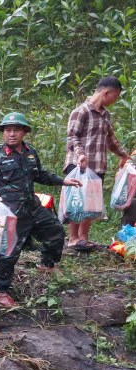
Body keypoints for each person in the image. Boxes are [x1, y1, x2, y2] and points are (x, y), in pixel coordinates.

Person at [0, 112, 81, 309]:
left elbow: (39, 174)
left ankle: (46, 266)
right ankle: (1, 291)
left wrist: (63, 181)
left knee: (55, 232)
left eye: (16, 130)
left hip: (32, 207)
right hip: (9, 211)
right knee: (8, 253)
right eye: (7, 130)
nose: (11, 134)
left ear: (24, 132)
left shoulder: (30, 152)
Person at [65, 76, 134, 248]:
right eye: (115, 97)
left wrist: (124, 156)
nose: (115, 100)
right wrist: (81, 154)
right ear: (106, 92)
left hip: (97, 166)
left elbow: (111, 139)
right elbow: (72, 137)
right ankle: (73, 238)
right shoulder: (80, 111)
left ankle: (83, 238)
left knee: (91, 203)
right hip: (78, 165)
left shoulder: (105, 114)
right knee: (77, 202)